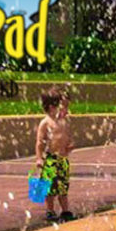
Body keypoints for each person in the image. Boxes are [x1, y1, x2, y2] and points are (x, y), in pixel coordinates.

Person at [35, 89, 74, 222]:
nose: (66, 109)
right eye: (62, 106)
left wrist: (69, 143)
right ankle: (50, 210)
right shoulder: (45, 123)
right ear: (52, 107)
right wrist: (39, 158)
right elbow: (40, 143)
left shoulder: (63, 121)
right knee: (48, 187)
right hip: (50, 159)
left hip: (63, 159)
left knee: (63, 186)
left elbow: (66, 136)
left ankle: (65, 210)